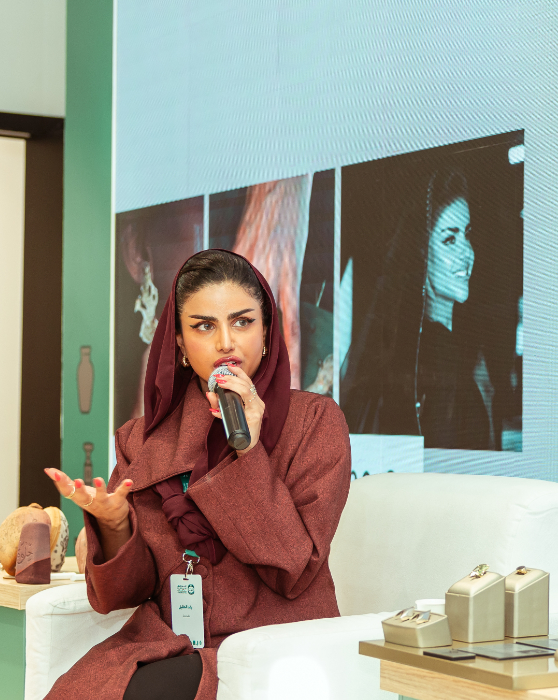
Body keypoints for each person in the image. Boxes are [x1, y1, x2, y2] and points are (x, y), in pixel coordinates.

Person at [43, 249, 351, 700]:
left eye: (243, 321)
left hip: (274, 645)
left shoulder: (316, 423)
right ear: (181, 346)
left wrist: (245, 449)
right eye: (204, 326)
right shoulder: (142, 440)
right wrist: (114, 528)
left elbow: (293, 568)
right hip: (172, 643)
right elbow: (126, 592)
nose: (227, 342)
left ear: (267, 334)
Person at [343, 168, 494, 449]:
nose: (467, 253)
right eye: (449, 240)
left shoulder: (441, 350)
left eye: (467, 235)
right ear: (421, 253)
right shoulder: (432, 359)